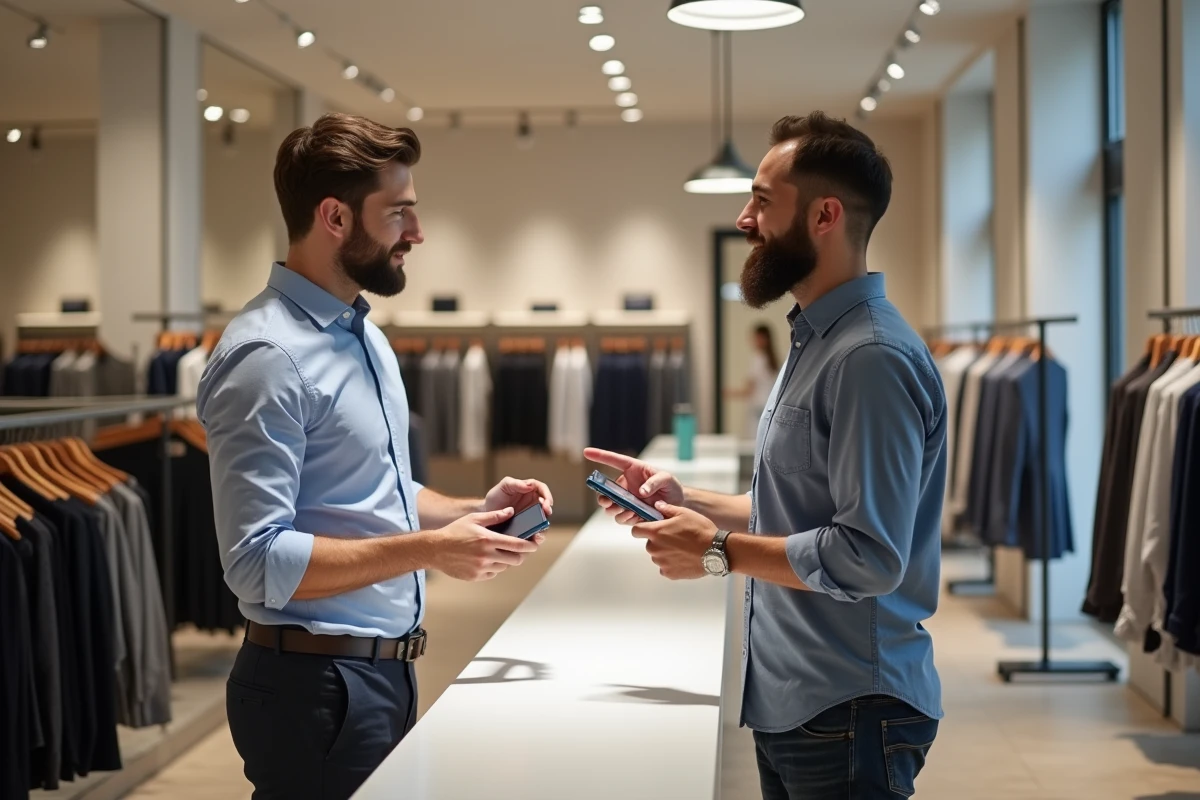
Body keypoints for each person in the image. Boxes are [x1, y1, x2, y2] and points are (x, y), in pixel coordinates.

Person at [587, 111, 946, 800]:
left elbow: (868, 554)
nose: (746, 218)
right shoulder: (816, 342)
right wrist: (683, 499)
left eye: (761, 199)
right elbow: (802, 506)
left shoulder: (869, 357)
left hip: (848, 706)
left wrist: (717, 550)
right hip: (801, 701)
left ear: (825, 215)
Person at [197, 113, 553, 800]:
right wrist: (429, 550)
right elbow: (256, 563)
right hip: (313, 688)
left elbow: (375, 490)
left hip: (379, 675)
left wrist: (472, 510)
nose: (416, 236)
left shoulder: (361, 335)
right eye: (399, 214)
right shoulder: (267, 359)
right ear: (334, 217)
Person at [726, 323, 781, 439]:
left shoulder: (758, 359)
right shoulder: (774, 360)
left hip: (757, 409)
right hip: (769, 407)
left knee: (754, 442)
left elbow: (748, 390)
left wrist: (730, 393)